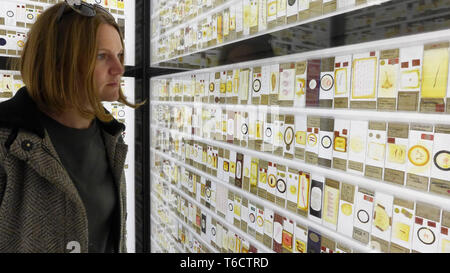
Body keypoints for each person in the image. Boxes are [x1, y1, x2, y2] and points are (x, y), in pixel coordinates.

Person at [0, 0, 141, 253]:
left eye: (119, 55)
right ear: (57, 60)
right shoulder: (6, 141)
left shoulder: (111, 136)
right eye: (101, 56)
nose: (119, 69)